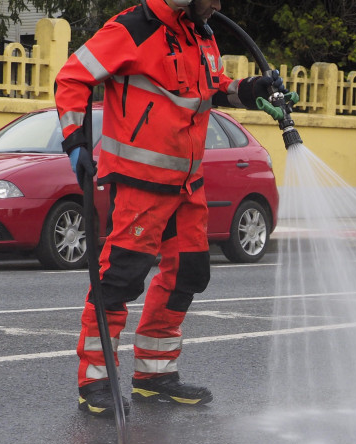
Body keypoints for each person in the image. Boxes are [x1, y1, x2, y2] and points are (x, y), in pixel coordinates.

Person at [54, 0, 282, 416]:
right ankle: (96, 382)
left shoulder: (203, 34)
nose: (218, 6)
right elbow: (72, 77)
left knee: (188, 275)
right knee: (120, 278)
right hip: (141, 183)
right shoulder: (133, 28)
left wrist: (250, 90)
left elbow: (210, 88)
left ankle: (155, 375)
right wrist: (75, 141)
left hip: (187, 185)